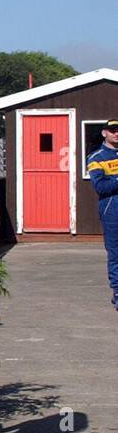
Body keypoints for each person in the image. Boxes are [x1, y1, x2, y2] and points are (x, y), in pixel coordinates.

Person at [86, 118, 118, 311]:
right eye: (113, 130)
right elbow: (101, 187)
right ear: (104, 133)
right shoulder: (96, 157)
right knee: (115, 255)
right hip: (111, 213)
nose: (116, 133)